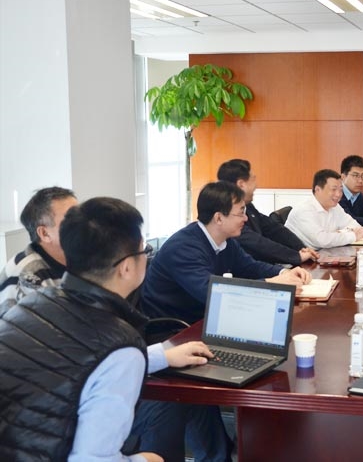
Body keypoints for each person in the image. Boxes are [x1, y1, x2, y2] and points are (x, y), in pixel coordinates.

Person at [0, 197, 212, 461]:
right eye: (145, 251)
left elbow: (74, 359)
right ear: (126, 267)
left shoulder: (32, 303)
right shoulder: (119, 347)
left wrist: (162, 356)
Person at [141, 181, 310, 325]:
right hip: (174, 329)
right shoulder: (183, 248)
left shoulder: (225, 240)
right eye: (241, 213)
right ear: (219, 218)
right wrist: (272, 283)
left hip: (209, 317)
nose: (246, 219)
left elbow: (250, 266)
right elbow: (213, 293)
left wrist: (284, 273)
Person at [217, 158, 318, 265]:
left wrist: (301, 248)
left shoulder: (248, 207)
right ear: (241, 184)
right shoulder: (226, 215)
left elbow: (274, 228)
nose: (256, 185)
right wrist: (296, 256)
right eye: (253, 179)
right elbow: (258, 243)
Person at [0, 186, 78, 304]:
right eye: (71, 220)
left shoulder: (82, 256)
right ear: (44, 233)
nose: (84, 224)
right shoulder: (27, 275)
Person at [285, 169, 363, 249]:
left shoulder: (335, 207)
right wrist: (352, 235)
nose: (338, 194)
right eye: (333, 189)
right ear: (318, 190)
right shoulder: (304, 210)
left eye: (340, 190)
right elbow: (322, 241)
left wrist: (337, 234)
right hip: (299, 257)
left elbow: (357, 227)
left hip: (325, 253)